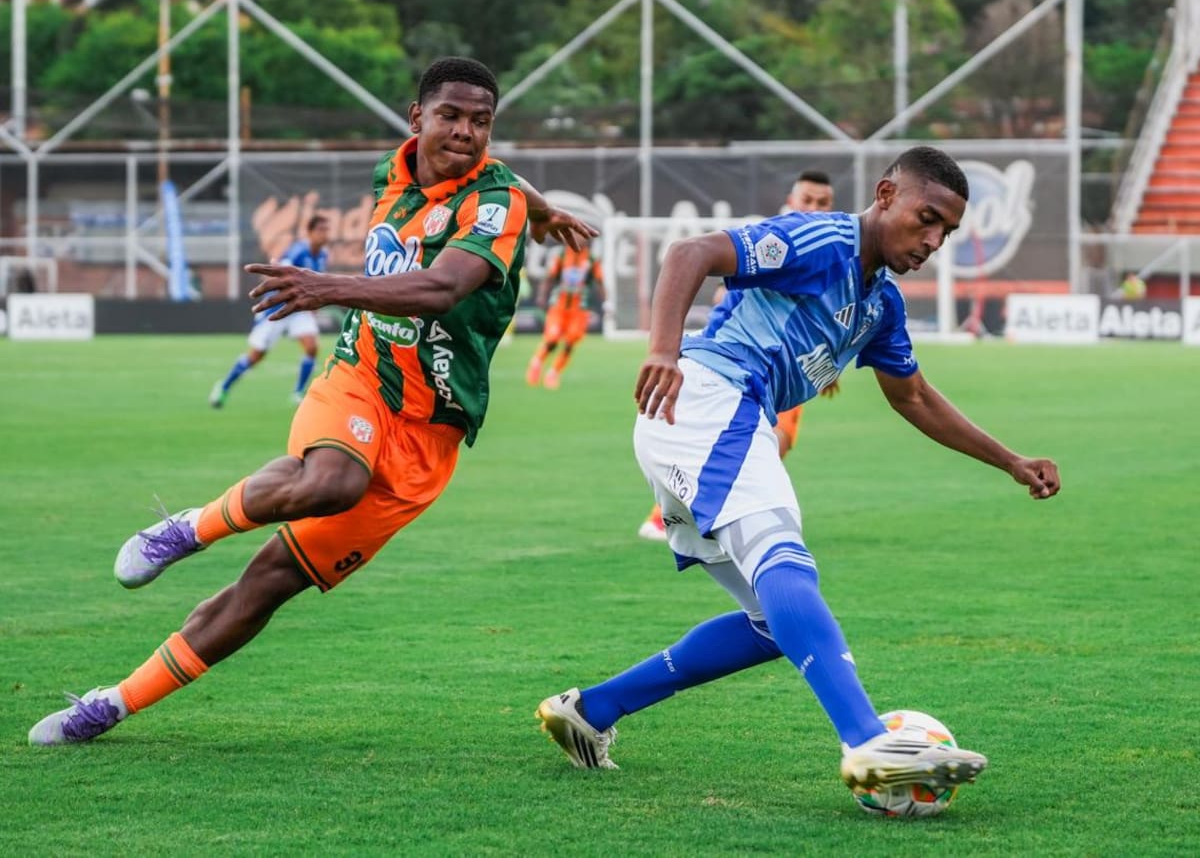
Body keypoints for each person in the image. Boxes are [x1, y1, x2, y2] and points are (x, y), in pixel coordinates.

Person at [28, 56, 596, 747]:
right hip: (360, 376)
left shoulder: (493, 200)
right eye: (451, 115)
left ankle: (111, 704)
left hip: (429, 438)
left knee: (266, 585)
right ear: (417, 119)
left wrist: (330, 287)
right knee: (331, 479)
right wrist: (548, 209)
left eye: (482, 121)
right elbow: (505, 190)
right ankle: (185, 529)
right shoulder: (394, 172)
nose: (467, 132)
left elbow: (442, 289)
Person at [536, 146, 1061, 797]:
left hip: (710, 422)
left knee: (771, 624)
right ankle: (868, 740)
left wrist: (1010, 460)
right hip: (708, 400)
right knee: (785, 561)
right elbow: (690, 254)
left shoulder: (881, 304)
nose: (932, 240)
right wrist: (663, 352)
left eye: (945, 232)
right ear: (886, 193)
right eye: (926, 218)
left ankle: (592, 712)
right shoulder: (822, 239)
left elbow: (915, 397)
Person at [638, 169, 838, 542]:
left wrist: (829, 366)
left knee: (772, 441)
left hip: (784, 373)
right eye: (807, 201)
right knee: (768, 441)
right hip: (738, 368)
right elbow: (718, 277)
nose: (814, 208)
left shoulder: (828, 251)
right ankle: (682, 515)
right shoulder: (780, 239)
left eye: (822, 203)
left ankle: (700, 512)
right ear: (791, 203)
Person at [209, 215, 332, 408]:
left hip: (298, 311)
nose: (325, 234)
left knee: (311, 347)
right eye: (321, 230)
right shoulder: (298, 251)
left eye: (327, 230)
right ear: (310, 232)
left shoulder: (323, 254)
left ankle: (298, 393)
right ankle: (223, 386)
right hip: (276, 308)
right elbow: (279, 273)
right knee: (255, 356)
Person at [524, 240, 607, 389]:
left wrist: (606, 302)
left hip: (579, 308)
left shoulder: (592, 259)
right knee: (553, 338)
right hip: (559, 306)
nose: (579, 239)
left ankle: (554, 373)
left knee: (571, 341)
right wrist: (542, 296)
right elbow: (549, 277)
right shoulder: (562, 255)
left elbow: (599, 281)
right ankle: (536, 363)